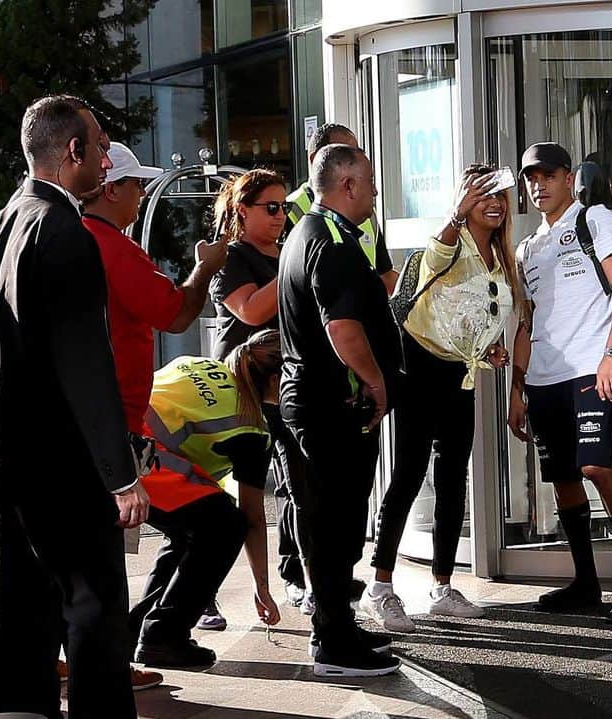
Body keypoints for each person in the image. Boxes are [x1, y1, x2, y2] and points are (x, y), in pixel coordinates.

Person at [0, 95, 149, 719]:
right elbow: (84, 360)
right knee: (93, 609)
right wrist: (121, 475)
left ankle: (17, 711)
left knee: (18, 610)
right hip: (60, 467)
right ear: (72, 152)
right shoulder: (62, 228)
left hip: (2, 461)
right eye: (99, 146)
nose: (105, 158)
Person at [79, 140, 228, 686]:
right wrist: (204, 269)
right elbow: (174, 311)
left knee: (189, 527)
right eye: (136, 184)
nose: (142, 194)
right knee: (212, 522)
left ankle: (137, 640)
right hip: (115, 431)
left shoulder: (85, 241)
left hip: (116, 427)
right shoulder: (109, 245)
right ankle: (142, 642)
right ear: (110, 187)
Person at [508, 142, 612, 624]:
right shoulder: (526, 247)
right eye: (531, 178)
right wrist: (517, 388)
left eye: (548, 175)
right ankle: (586, 582)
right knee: (563, 478)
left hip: (591, 368)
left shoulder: (594, 220)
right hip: (544, 377)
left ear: (569, 177)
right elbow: (526, 321)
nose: (539, 185)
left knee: (595, 467)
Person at [361, 164, 515, 633]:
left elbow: (472, 310)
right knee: (408, 476)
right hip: (418, 368)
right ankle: (381, 587)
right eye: (483, 194)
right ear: (463, 199)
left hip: (461, 374)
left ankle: (442, 586)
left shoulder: (499, 255)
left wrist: (487, 345)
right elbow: (433, 257)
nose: (495, 203)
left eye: (501, 195)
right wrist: (456, 212)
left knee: (453, 480)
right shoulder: (451, 241)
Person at [278, 144, 401, 677]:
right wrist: (375, 381)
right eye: (369, 181)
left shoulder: (312, 233)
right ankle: (331, 640)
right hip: (330, 404)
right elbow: (342, 327)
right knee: (335, 522)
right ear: (347, 185)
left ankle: (338, 625)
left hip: (321, 402)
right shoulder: (329, 241)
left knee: (336, 521)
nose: (375, 190)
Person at [131, 331, 284, 668]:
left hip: (107, 438)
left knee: (197, 527)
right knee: (225, 524)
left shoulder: (200, 364)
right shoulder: (250, 428)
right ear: (275, 380)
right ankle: (164, 637)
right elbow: (253, 519)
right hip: (134, 459)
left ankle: (136, 632)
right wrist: (262, 587)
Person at [205, 168, 304, 628]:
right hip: (237, 388)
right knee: (222, 495)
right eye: (271, 207)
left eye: (285, 207)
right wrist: (293, 264)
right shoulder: (232, 257)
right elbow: (248, 309)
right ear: (241, 210)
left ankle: (289, 579)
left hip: (282, 383)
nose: (281, 216)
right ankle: (203, 594)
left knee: (294, 483)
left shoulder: (286, 252)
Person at [285, 123, 397, 294]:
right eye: (343, 154)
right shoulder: (288, 210)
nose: (356, 159)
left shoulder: (367, 214)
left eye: (356, 152)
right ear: (316, 159)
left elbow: (386, 276)